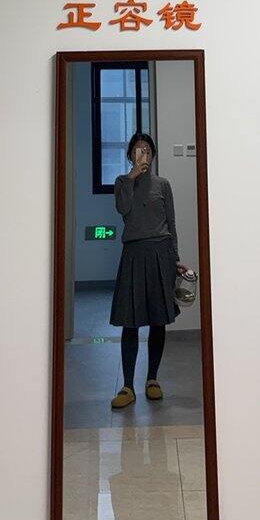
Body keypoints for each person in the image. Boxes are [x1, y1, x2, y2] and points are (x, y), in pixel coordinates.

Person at [109, 133, 187, 409]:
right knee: (130, 320)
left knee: (158, 320)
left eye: (147, 150)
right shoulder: (122, 182)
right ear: (130, 155)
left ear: (153, 156)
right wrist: (132, 176)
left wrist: (175, 258)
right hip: (133, 254)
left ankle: (152, 378)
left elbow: (171, 223)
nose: (143, 154)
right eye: (138, 150)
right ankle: (128, 385)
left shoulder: (163, 185)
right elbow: (123, 209)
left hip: (161, 253)